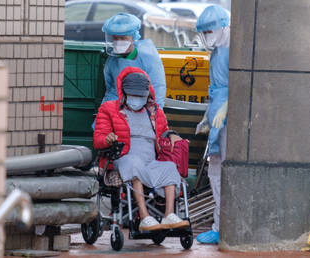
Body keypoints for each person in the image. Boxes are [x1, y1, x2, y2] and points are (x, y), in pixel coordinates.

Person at [93, 66, 188, 231]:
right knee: (133, 163)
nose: (137, 99)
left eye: (140, 96)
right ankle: (144, 217)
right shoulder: (108, 109)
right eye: (133, 95)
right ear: (124, 93)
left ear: (147, 95)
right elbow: (98, 139)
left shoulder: (155, 112)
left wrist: (171, 134)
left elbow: (164, 130)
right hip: (122, 158)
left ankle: (169, 215)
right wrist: (107, 139)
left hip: (150, 161)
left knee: (169, 168)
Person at [194, 5, 230, 244]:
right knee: (215, 168)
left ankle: (223, 226)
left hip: (230, 119)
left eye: (210, 31)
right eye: (204, 32)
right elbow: (215, 88)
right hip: (219, 116)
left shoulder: (233, 49)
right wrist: (209, 115)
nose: (207, 36)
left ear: (222, 27)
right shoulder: (217, 51)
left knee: (223, 170)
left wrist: (227, 106)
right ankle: (219, 226)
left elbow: (240, 82)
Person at [101, 13, 166, 108]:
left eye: (123, 38)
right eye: (115, 38)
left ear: (133, 37)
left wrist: (152, 115)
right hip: (114, 109)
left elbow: (158, 89)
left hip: (141, 110)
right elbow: (110, 89)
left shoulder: (147, 58)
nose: (119, 42)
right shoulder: (112, 60)